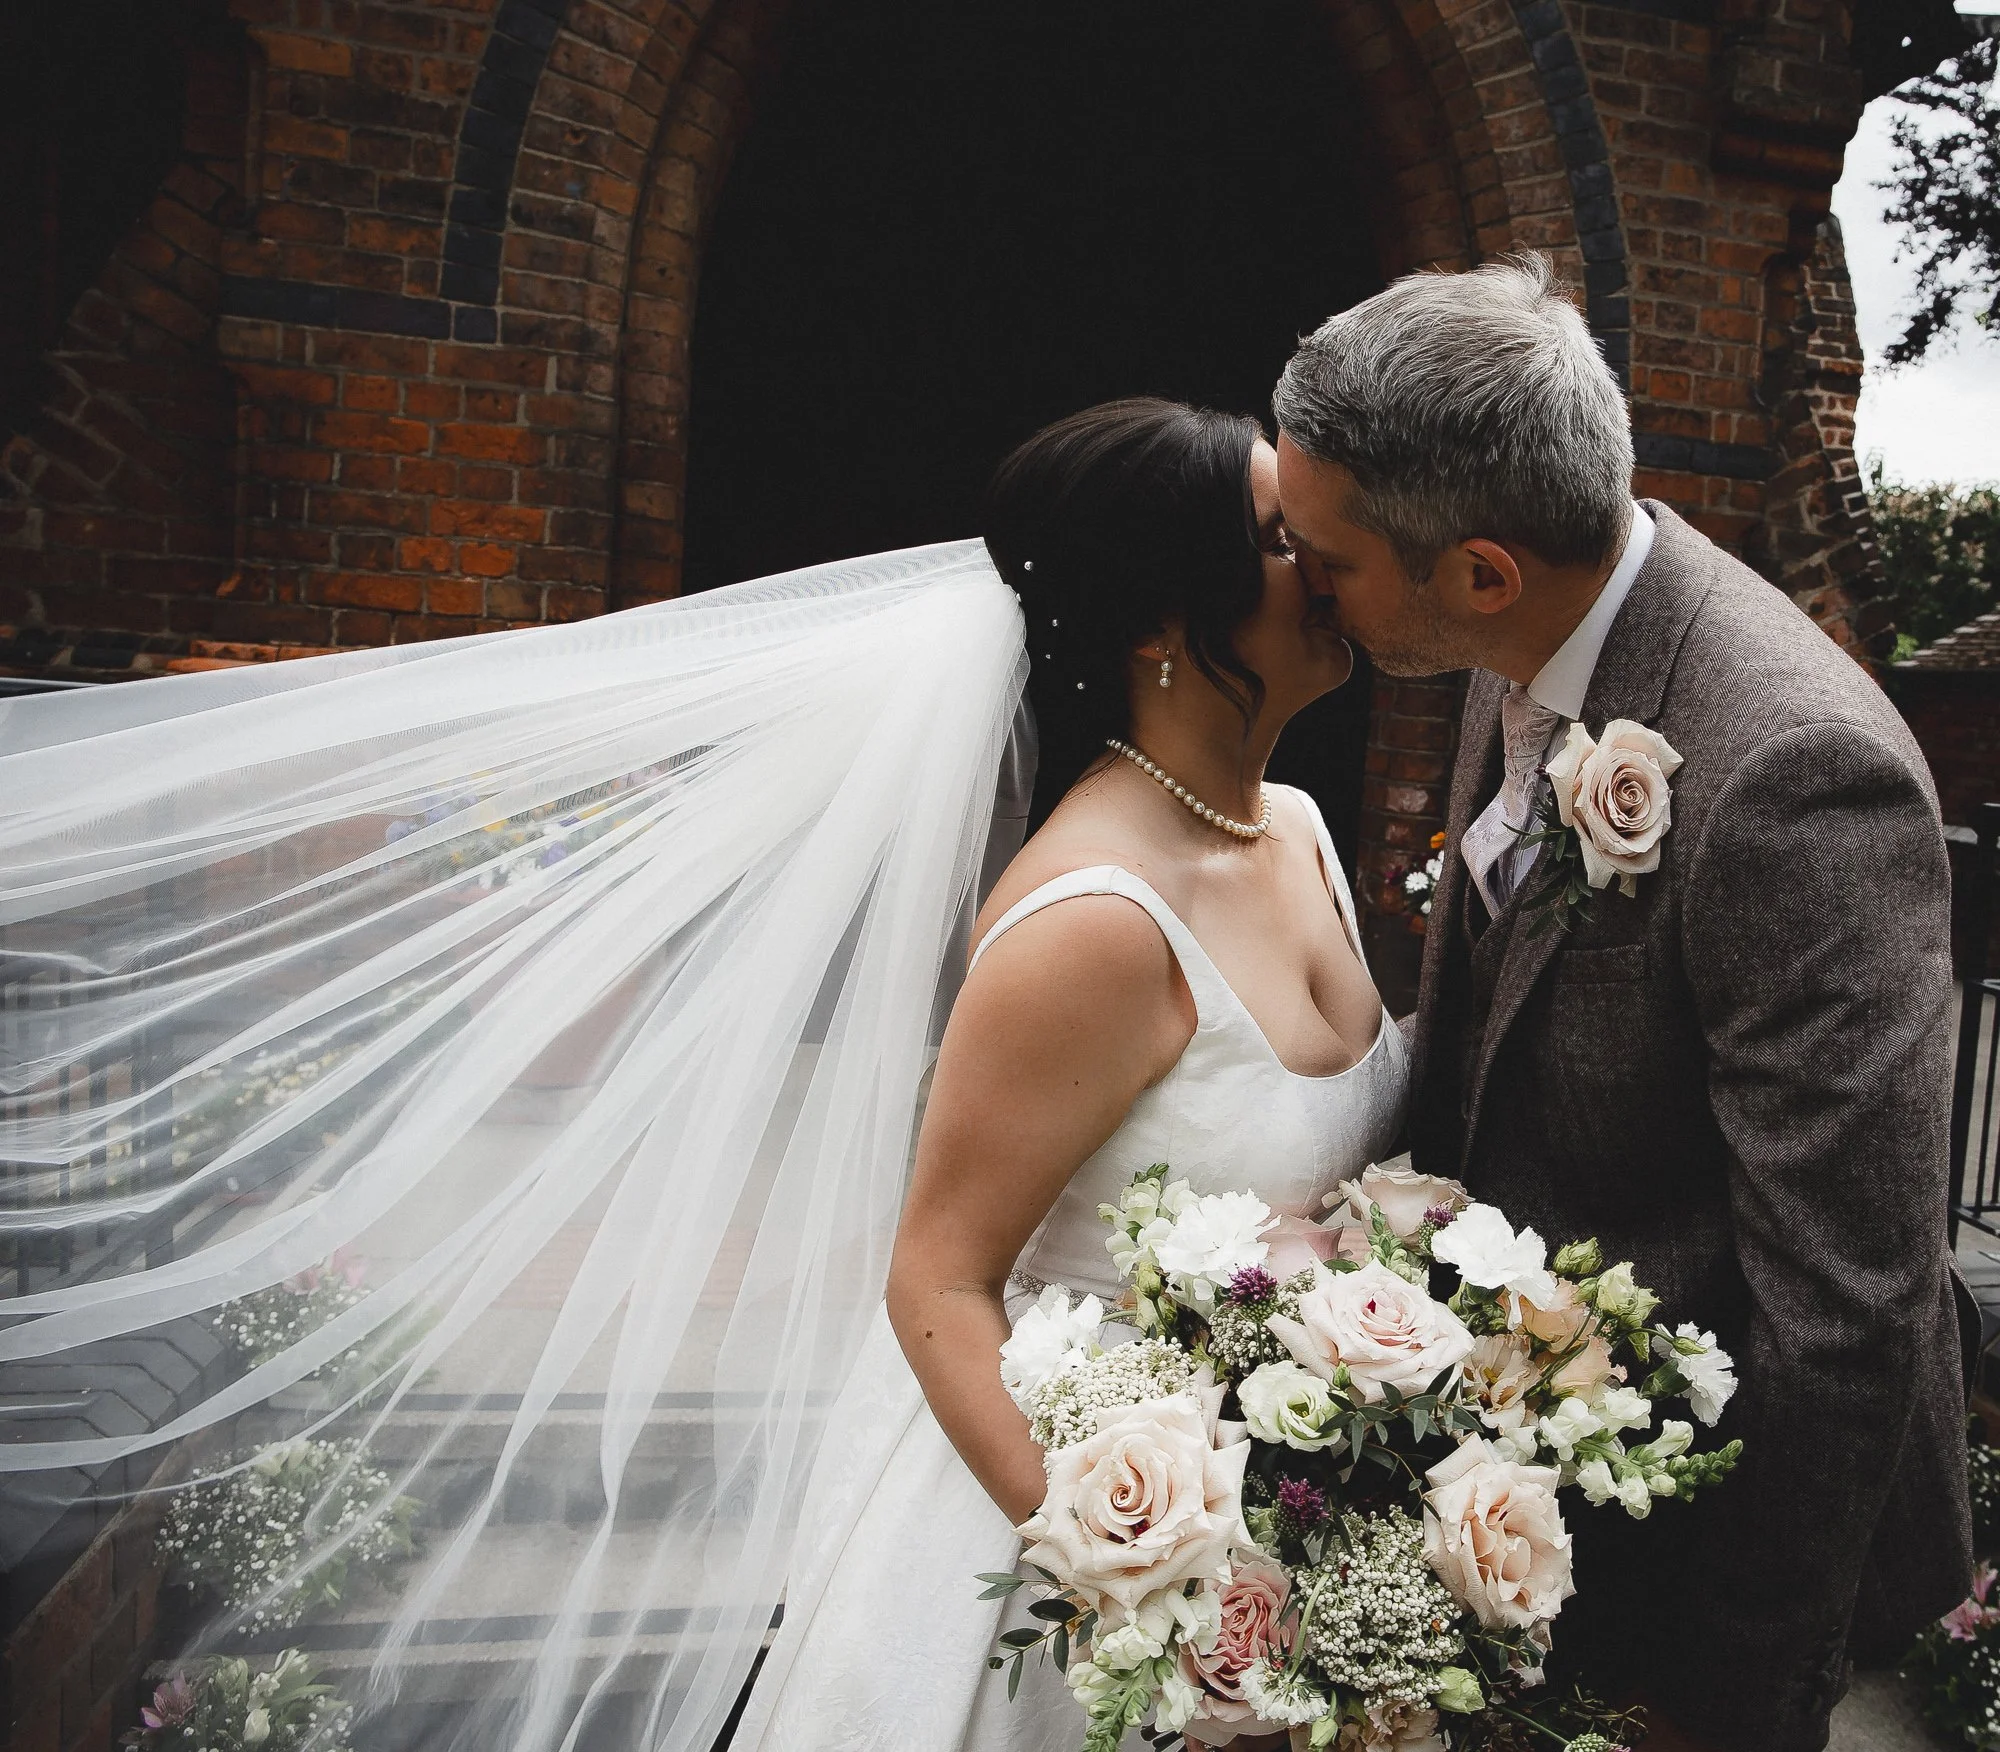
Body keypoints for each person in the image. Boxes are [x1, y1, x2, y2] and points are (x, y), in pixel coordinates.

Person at [1270, 253, 1974, 1752]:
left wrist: (1734, 1699)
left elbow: (1848, 1306)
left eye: (1326, 559)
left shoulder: (1795, 774)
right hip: (1537, 1484)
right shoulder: (1509, 648)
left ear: (1477, 571)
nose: (1297, 581)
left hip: (1715, 1536)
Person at [732, 398, 1403, 1750]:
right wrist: (1140, 1590)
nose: (1331, 559)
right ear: (1158, 623)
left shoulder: (1304, 831)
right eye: (1284, 539)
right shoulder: (1095, 922)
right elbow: (936, 1279)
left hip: (1292, 1508)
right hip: (1082, 1572)